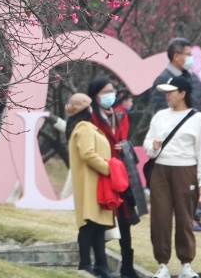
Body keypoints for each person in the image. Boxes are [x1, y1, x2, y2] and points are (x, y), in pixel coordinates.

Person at [145, 76, 201, 278]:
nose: (167, 96)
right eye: (165, 92)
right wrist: (153, 147)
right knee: (160, 219)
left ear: (182, 93)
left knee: (185, 219)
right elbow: (148, 144)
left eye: (171, 92)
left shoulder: (198, 119)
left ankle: (186, 264)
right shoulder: (159, 116)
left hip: (186, 171)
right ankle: (162, 264)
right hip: (161, 171)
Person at [88, 77, 140, 278]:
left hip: (118, 174)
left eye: (112, 91)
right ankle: (100, 264)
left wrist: (124, 146)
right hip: (100, 174)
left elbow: (123, 139)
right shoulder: (90, 117)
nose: (111, 95)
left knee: (125, 221)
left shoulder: (116, 116)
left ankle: (128, 265)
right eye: (105, 92)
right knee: (100, 220)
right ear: (95, 95)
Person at [67, 92, 115, 278]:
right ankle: (85, 264)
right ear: (87, 109)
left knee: (97, 226)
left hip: (95, 182)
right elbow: (88, 154)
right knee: (89, 225)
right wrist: (109, 169)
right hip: (92, 183)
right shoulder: (84, 128)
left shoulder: (83, 127)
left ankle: (100, 266)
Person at [151, 38, 201, 112]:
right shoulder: (163, 80)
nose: (191, 58)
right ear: (176, 56)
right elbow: (160, 111)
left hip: (195, 125)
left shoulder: (192, 77)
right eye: (188, 54)